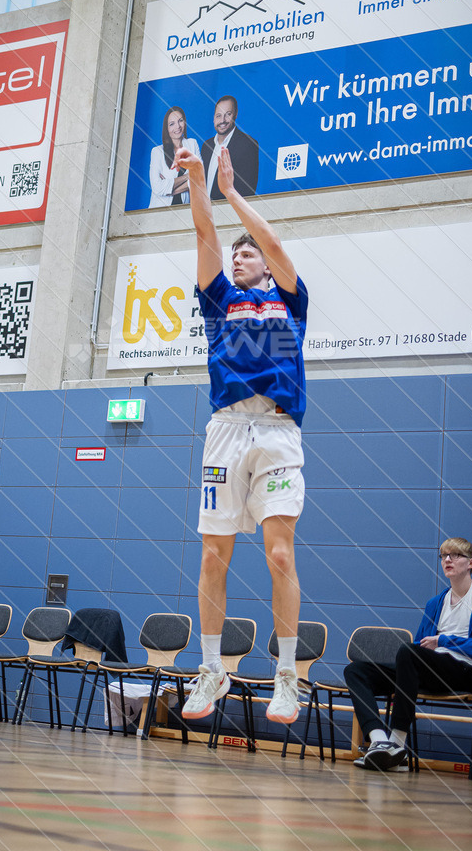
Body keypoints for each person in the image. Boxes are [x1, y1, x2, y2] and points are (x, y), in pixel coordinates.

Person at [175, 143, 308, 726]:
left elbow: (274, 244)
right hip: (227, 429)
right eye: (236, 256)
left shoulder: (291, 302)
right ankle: (212, 667)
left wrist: (233, 193)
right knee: (212, 556)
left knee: (279, 553)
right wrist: (201, 178)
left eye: (246, 253)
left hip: (277, 431)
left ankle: (286, 675)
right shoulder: (218, 301)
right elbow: (205, 233)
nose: (239, 258)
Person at [344, 537, 472, 771]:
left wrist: (444, 640)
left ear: (471, 563)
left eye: (455, 555)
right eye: (444, 555)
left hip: (464, 672)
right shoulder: (436, 602)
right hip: (428, 669)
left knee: (409, 651)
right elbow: (421, 645)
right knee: (356, 670)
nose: (448, 559)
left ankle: (397, 744)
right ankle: (379, 740)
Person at [201, 95, 259, 200]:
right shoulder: (206, 146)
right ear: (213, 118)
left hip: (229, 213)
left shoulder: (248, 144)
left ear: (235, 115)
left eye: (228, 114)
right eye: (218, 115)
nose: (222, 120)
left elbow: (247, 191)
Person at [148, 105, 200, 208]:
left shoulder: (192, 144)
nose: (178, 127)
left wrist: (170, 190)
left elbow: (200, 179)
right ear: (166, 128)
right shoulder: (157, 152)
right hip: (159, 211)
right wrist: (187, 177)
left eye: (180, 121)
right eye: (172, 124)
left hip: (183, 209)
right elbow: (157, 188)